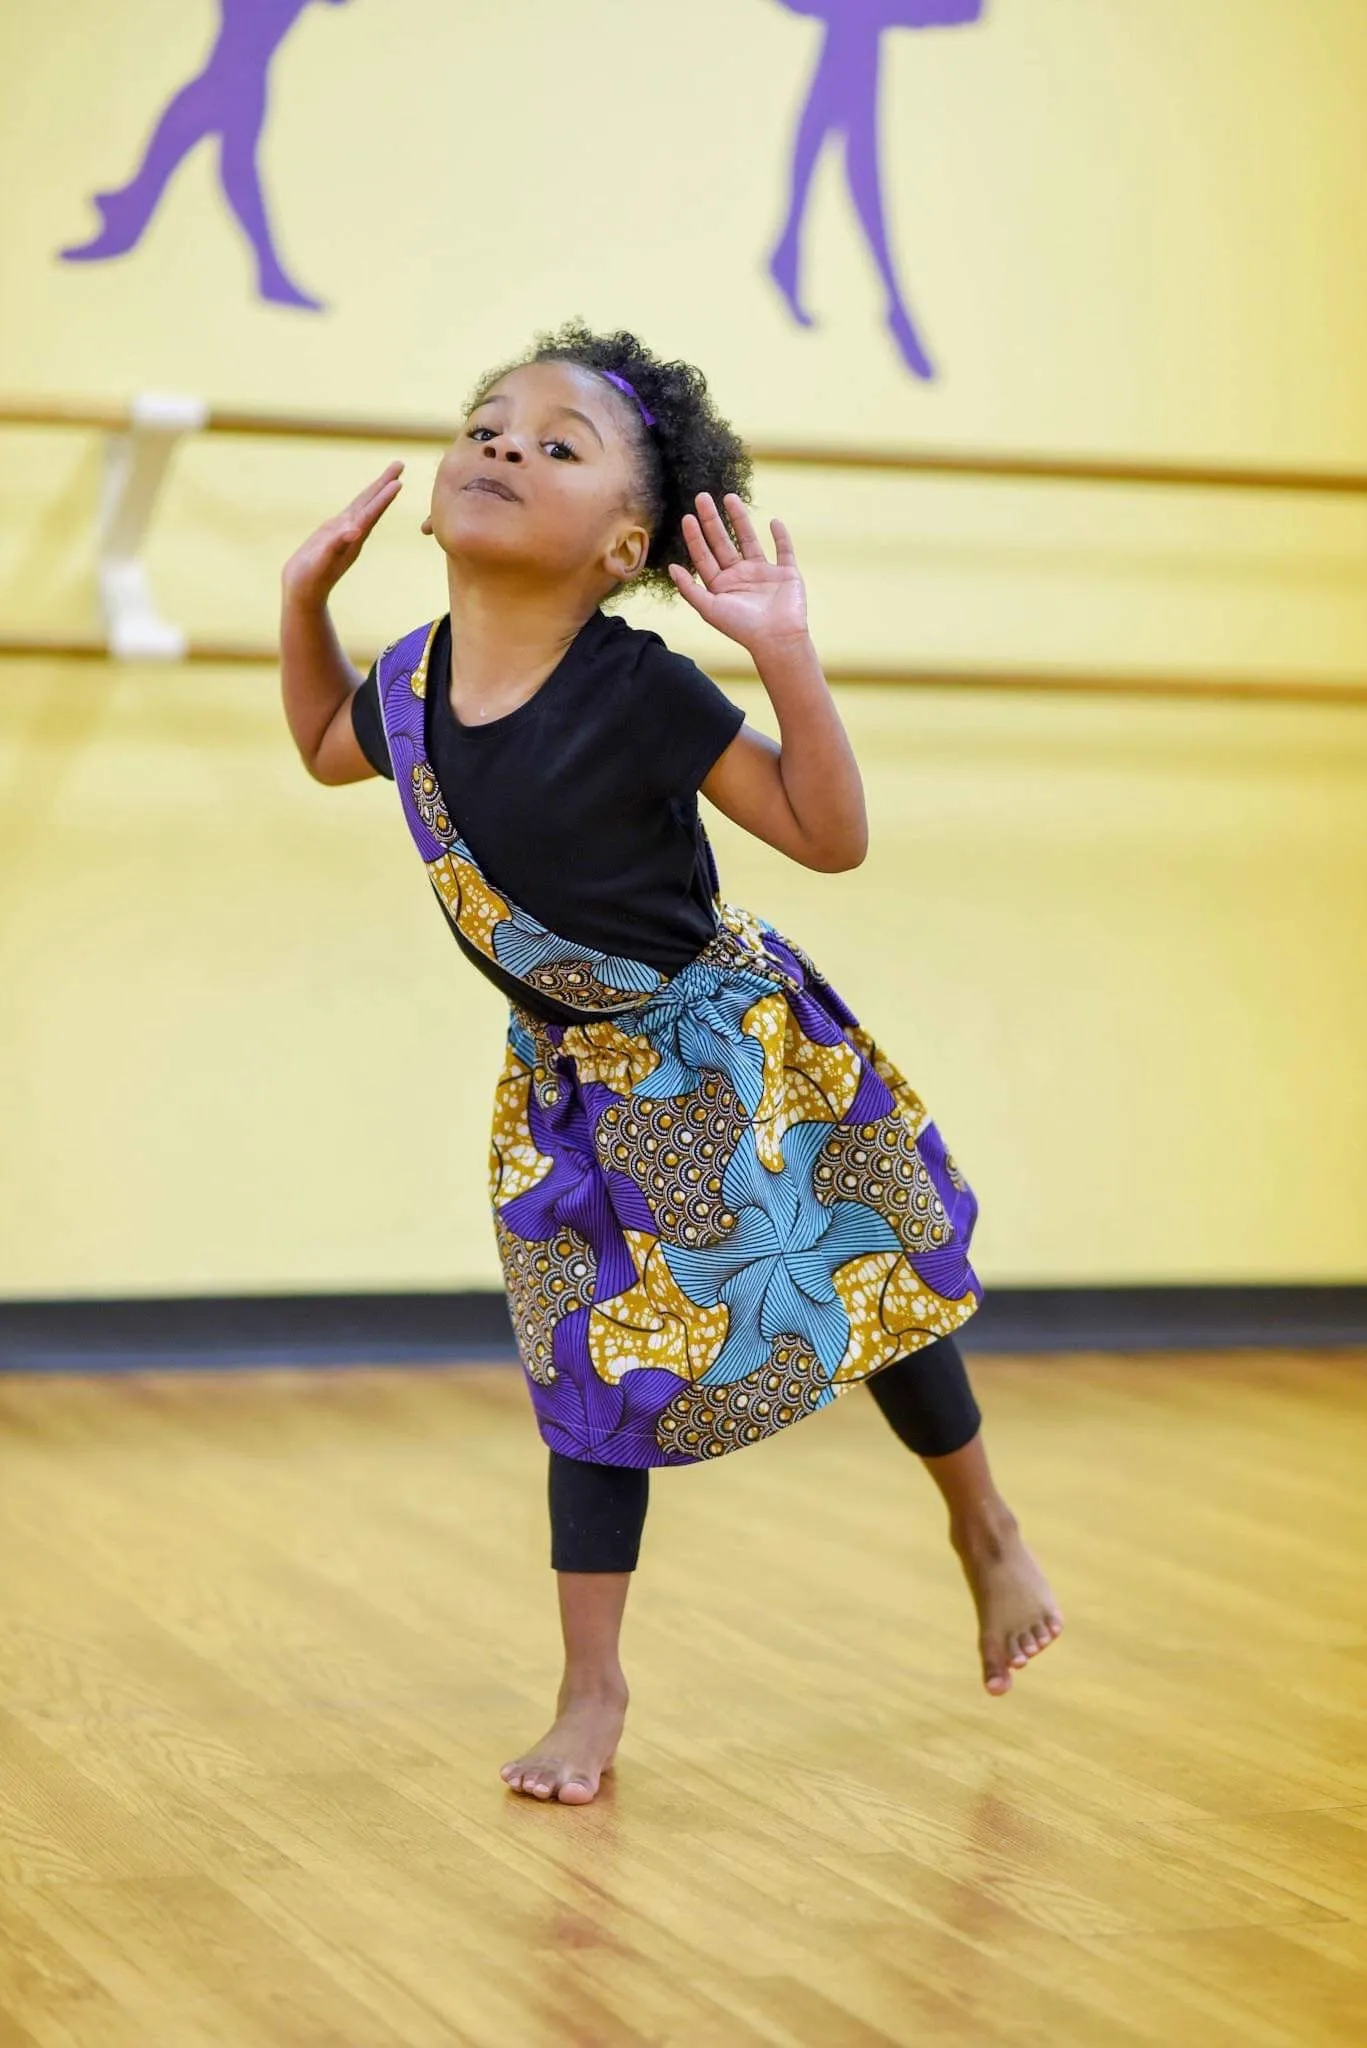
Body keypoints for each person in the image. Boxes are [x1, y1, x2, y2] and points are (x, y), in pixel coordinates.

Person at [279, 323, 1061, 1804]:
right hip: (570, 1088)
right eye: (488, 425)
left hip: (726, 1050)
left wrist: (783, 654)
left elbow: (825, 836)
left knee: (870, 1289)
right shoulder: (403, 679)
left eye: (556, 445)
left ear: (620, 543)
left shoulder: (638, 686)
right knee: (592, 1366)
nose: (504, 446)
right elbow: (324, 741)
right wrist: (299, 594)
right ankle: (591, 1687)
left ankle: (983, 1523)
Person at [60, 0, 347, 311]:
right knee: (218, 170)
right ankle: (128, 211)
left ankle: (128, 214)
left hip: (232, 84)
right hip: (228, 82)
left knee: (229, 173)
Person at [769, 0, 986, 377]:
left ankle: (791, 248)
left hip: (856, 23)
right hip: (857, 23)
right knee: (860, 160)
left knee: (854, 155)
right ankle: (892, 300)